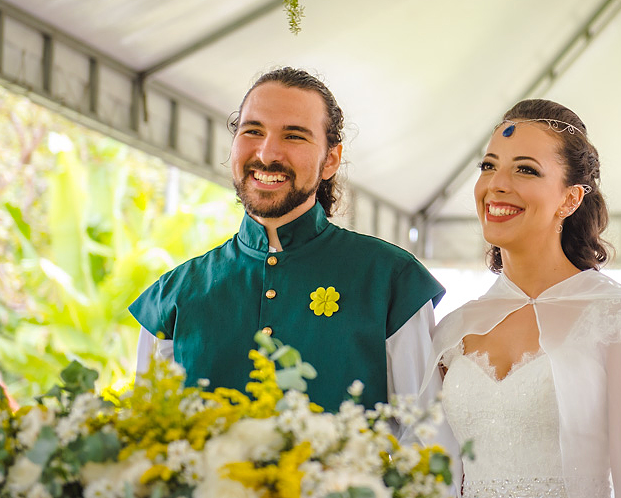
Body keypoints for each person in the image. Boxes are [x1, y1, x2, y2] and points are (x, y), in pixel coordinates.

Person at [130, 67, 445, 412]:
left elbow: (426, 442)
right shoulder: (172, 297)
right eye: (253, 130)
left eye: (294, 136)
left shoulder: (391, 281)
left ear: (331, 160)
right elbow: (149, 440)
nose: (267, 154)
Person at [424, 99, 621, 498]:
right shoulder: (455, 329)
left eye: (526, 169)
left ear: (570, 199)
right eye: (488, 166)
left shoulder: (615, 318)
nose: (497, 184)